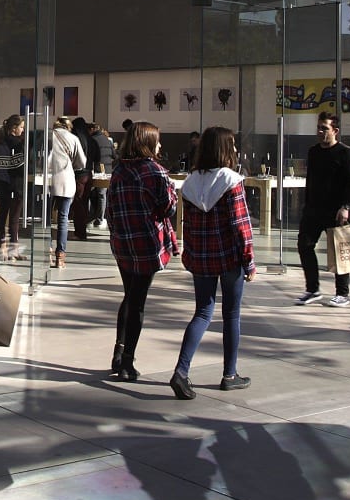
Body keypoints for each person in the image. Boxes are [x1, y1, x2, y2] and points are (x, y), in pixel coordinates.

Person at [169, 127, 256, 399]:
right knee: (231, 314)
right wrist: (249, 262)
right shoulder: (232, 180)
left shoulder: (191, 181)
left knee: (203, 312)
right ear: (225, 149)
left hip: (201, 258)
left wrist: (188, 254)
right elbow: (241, 226)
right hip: (229, 258)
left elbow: (188, 225)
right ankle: (229, 374)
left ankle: (181, 371)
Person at [106, 121, 178, 382]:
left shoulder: (119, 171)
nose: (160, 145)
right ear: (148, 142)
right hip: (146, 245)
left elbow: (110, 209)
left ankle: (118, 350)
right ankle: (127, 362)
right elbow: (169, 208)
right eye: (157, 140)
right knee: (137, 302)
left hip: (123, 244)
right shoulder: (156, 172)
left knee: (129, 296)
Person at [293, 112, 350, 307]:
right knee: (304, 245)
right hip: (313, 209)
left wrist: (346, 207)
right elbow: (311, 180)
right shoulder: (313, 152)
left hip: (337, 211)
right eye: (319, 128)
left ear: (335, 131)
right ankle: (312, 289)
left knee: (339, 251)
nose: (320, 132)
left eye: (325, 128)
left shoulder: (346, 154)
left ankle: (342, 294)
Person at [46, 116, 87, 267]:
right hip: (65, 179)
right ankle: (60, 257)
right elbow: (82, 162)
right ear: (68, 127)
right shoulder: (73, 138)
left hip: (46, 179)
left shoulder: (46, 135)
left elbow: (34, 155)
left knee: (46, 219)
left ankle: (47, 251)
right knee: (63, 219)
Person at [0, 115, 26, 260]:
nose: (23, 130)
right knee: (14, 219)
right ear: (14, 128)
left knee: (2, 216)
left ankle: (3, 248)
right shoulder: (21, 145)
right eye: (21, 127)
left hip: (2, 184)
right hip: (16, 185)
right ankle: (13, 250)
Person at [88, 122, 116, 225]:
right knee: (102, 194)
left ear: (91, 129)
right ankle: (100, 218)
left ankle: (90, 216)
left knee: (89, 193)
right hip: (107, 170)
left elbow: (90, 156)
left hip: (95, 169)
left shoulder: (91, 140)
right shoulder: (108, 140)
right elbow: (114, 155)